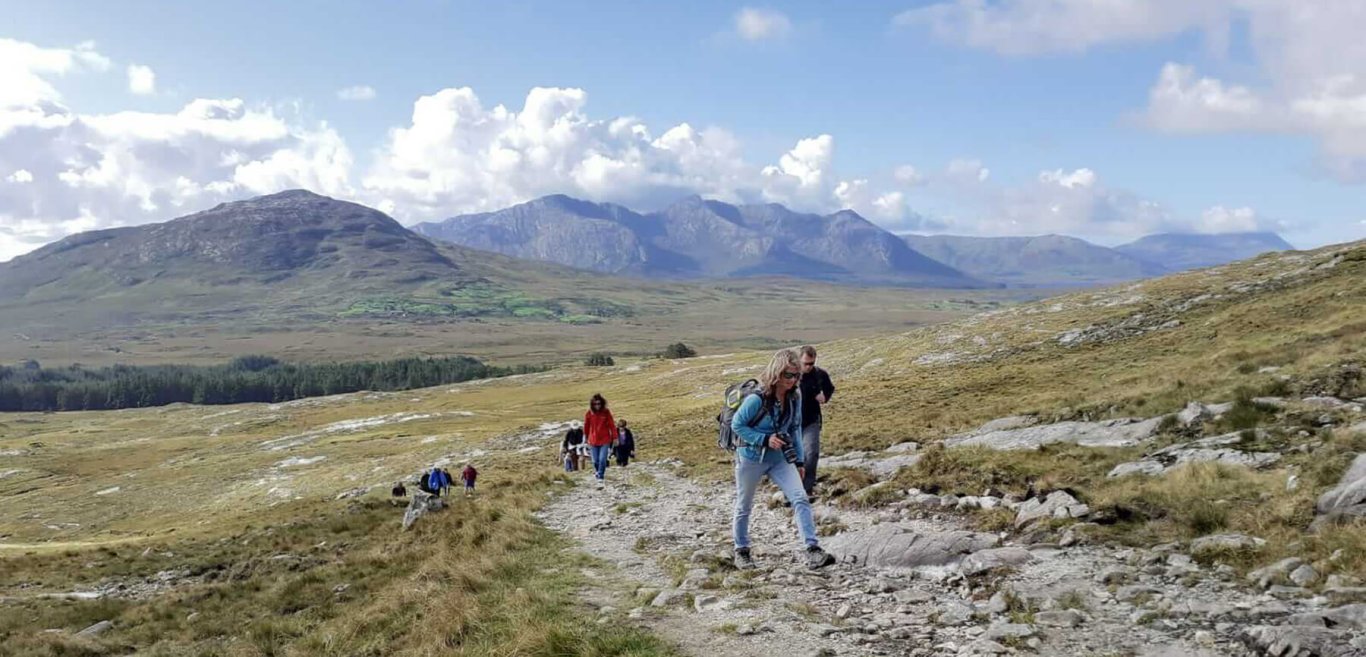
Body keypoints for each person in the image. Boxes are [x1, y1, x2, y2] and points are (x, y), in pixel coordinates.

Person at [731, 348, 835, 571]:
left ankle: (813, 550)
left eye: (797, 375)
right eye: (789, 375)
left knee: (800, 498)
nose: (794, 380)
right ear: (777, 373)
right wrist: (764, 439)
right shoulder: (756, 399)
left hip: (780, 459)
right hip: (750, 458)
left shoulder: (794, 397)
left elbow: (795, 428)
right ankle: (741, 551)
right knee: (744, 505)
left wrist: (799, 461)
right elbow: (737, 426)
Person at [797, 345, 836, 498]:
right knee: (791, 456)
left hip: (811, 420)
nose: (808, 367)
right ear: (799, 360)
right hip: (790, 423)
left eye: (811, 363)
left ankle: (807, 488)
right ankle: (791, 488)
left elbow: (829, 388)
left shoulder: (820, 375)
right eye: (805, 363)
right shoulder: (790, 375)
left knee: (811, 453)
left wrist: (825, 398)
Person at [584, 393, 617, 486]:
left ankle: (600, 476)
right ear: (592, 404)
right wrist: (585, 438)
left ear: (602, 403)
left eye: (599, 403)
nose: (597, 406)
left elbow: (612, 425)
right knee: (595, 461)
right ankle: (598, 471)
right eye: (595, 404)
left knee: (602, 459)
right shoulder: (589, 413)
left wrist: (615, 437)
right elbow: (586, 426)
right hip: (593, 440)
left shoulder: (606, 412)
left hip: (605, 440)